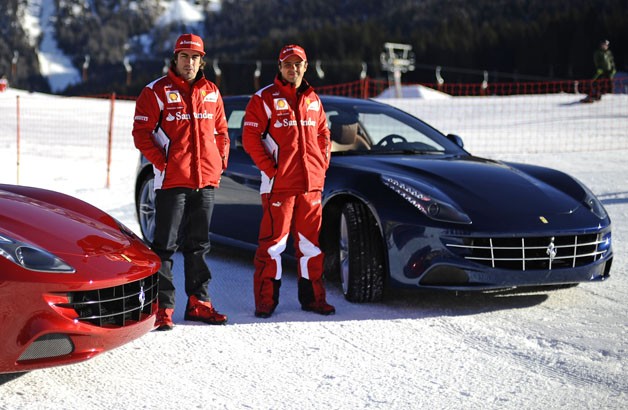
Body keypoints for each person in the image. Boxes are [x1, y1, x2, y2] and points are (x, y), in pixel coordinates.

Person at [132, 33, 230, 330]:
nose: (190, 62)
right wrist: (164, 163)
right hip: (172, 182)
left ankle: (199, 302)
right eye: (184, 56)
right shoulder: (155, 91)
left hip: (205, 182)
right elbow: (141, 134)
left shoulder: (211, 91)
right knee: (165, 246)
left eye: (195, 57)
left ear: (202, 60)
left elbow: (222, 132)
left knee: (199, 245)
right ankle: (163, 307)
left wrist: (219, 163)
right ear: (175, 59)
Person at [242, 44, 335, 318]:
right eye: (287, 64)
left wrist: (321, 164)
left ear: (305, 67)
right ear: (279, 67)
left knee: (311, 245)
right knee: (273, 246)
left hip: (311, 186)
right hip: (279, 186)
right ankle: (266, 302)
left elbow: (323, 134)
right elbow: (250, 138)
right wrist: (272, 170)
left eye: (298, 64)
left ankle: (314, 299)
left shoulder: (313, 99)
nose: (292, 69)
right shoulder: (263, 99)